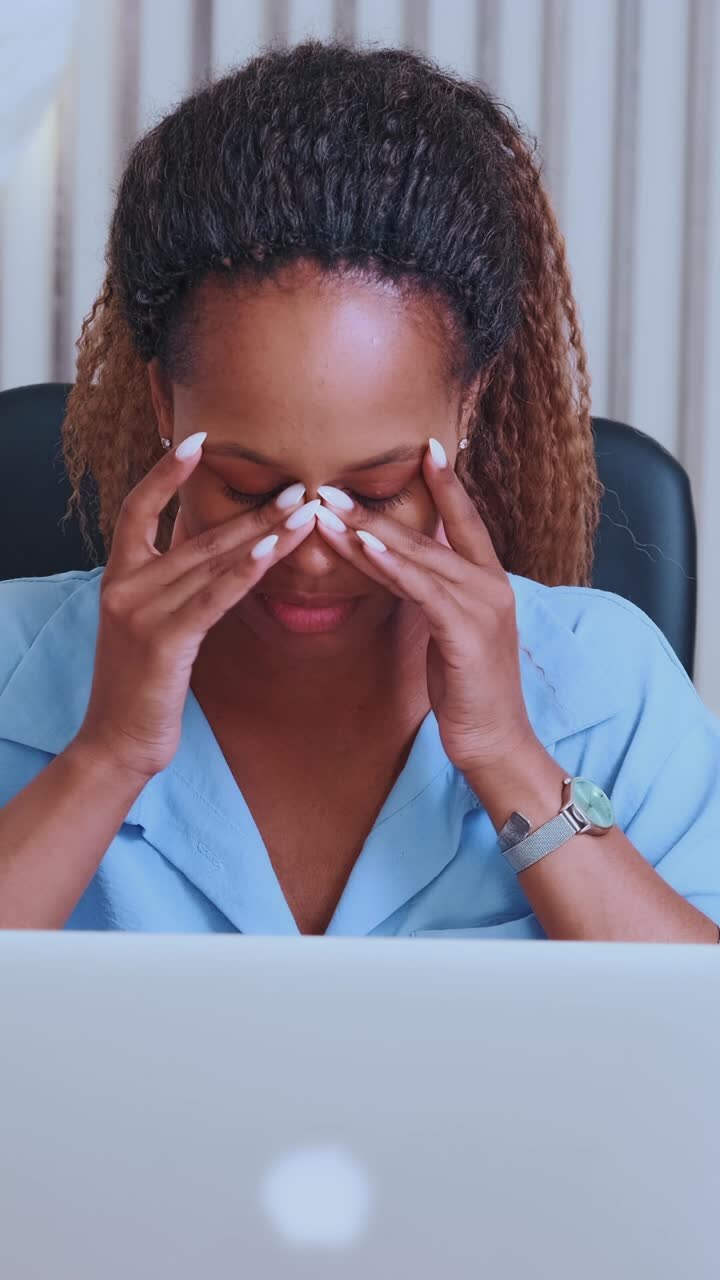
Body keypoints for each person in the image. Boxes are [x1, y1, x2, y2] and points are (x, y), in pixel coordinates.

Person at [1, 40, 718, 941]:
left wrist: (510, 760)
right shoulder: (12, 664)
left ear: (469, 407)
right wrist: (107, 756)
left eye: (375, 493)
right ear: (161, 403)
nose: (307, 552)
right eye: (249, 487)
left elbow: (704, 1054)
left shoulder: (609, 685)